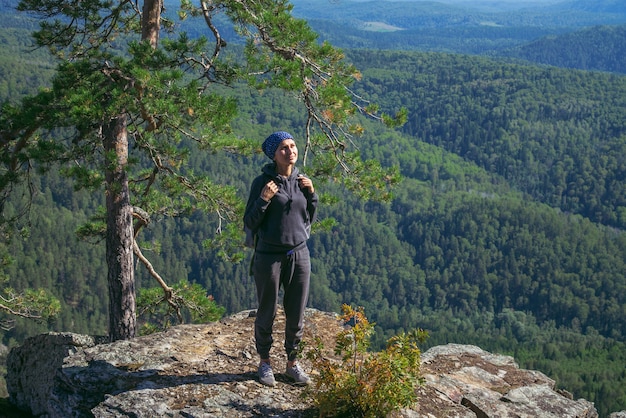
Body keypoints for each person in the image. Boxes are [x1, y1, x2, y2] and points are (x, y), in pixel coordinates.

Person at [243, 131, 318, 387]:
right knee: (267, 311)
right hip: (269, 257)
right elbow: (250, 222)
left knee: (296, 313)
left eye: (293, 145)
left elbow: (307, 218)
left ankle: (292, 364)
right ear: (274, 154)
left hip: (299, 253)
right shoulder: (262, 183)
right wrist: (264, 199)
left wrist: (313, 195)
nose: (291, 151)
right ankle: (264, 363)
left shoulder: (302, 181)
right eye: (284, 148)